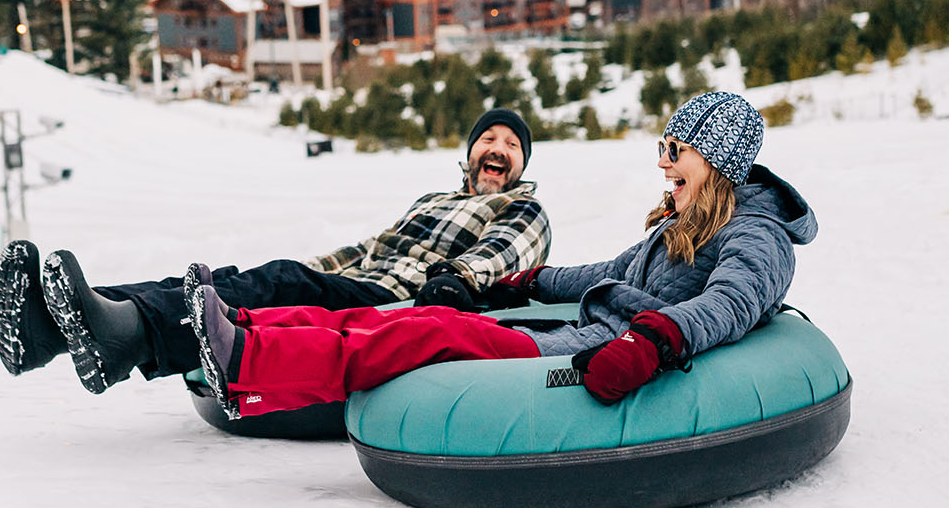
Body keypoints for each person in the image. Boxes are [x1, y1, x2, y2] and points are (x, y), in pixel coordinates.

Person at [188, 91, 815, 419]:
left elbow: (731, 302)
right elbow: (607, 274)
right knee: (403, 319)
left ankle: (247, 360)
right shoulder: (683, 219)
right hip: (580, 329)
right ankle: (249, 327)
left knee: (425, 334)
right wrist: (532, 281)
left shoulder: (756, 234)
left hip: (593, 352)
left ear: (719, 158)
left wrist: (653, 340)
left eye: (675, 149)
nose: (661, 161)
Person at [0, 107, 552, 394]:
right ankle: (54, 328)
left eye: (510, 144)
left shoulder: (523, 209)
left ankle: (115, 335)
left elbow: (502, 254)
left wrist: (454, 279)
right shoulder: (433, 199)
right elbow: (365, 247)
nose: (496, 148)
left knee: (275, 285)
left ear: (521, 163)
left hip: (400, 303)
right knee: (236, 282)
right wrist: (312, 268)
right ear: (471, 153)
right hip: (364, 279)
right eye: (488, 139)